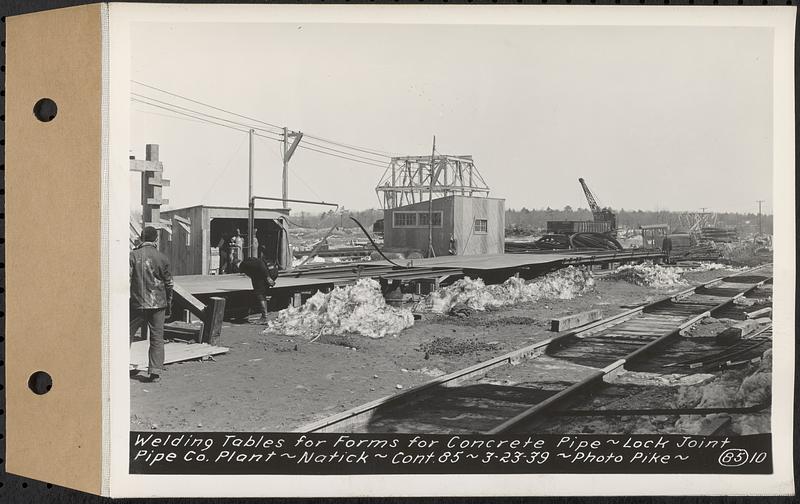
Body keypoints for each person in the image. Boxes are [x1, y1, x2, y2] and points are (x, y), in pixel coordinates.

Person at [130, 226, 173, 382]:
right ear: (156, 239)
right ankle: (155, 372)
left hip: (136, 303)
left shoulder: (133, 256)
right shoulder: (162, 258)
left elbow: (126, 280)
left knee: (126, 336)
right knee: (157, 337)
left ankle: (120, 368)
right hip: (158, 304)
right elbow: (169, 284)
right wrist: (168, 303)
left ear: (141, 238)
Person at [238, 255, 279, 324]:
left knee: (260, 294)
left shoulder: (245, 263)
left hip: (267, 273)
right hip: (272, 272)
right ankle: (264, 316)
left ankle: (264, 317)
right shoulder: (251, 263)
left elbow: (260, 264)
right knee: (262, 293)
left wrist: (268, 277)